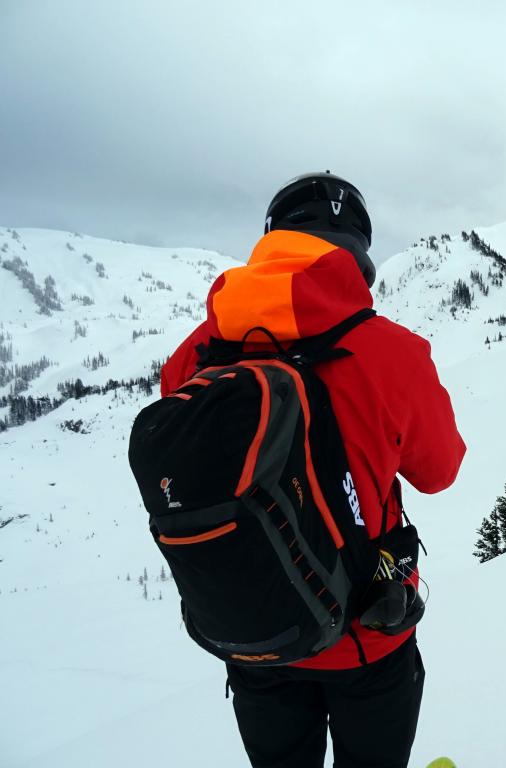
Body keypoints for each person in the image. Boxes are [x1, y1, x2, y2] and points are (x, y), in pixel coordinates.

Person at [160, 172, 467, 768]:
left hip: (254, 633)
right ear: (357, 253)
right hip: (370, 634)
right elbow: (440, 471)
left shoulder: (194, 353)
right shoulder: (391, 351)